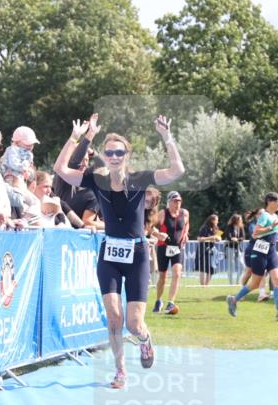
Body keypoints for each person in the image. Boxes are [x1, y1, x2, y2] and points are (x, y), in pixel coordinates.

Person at [54, 113, 184, 389]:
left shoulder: (140, 179)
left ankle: (145, 340)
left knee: (135, 324)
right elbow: (61, 169)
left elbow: (177, 172)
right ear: (104, 155)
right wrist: (80, 136)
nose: (114, 156)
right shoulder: (96, 180)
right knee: (114, 316)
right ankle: (120, 370)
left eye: (119, 152)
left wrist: (167, 137)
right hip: (109, 255)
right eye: (109, 152)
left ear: (127, 155)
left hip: (136, 256)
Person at [226, 192, 278, 322]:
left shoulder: (274, 216)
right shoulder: (265, 215)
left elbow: (272, 232)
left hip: (271, 251)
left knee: (277, 280)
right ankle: (234, 299)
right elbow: (256, 232)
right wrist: (271, 226)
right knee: (255, 283)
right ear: (269, 201)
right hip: (260, 251)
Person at [153, 190, 189, 314]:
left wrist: (185, 235)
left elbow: (186, 224)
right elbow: (151, 225)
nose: (177, 204)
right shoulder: (163, 213)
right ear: (169, 202)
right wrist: (157, 234)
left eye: (179, 201)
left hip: (178, 248)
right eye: (174, 201)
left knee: (177, 272)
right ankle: (158, 300)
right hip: (163, 247)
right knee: (162, 276)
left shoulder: (184, 213)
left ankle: (171, 303)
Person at [196, 213, 222, 286]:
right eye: (216, 220)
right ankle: (202, 286)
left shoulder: (216, 228)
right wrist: (212, 237)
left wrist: (217, 238)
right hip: (203, 250)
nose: (217, 222)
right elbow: (199, 238)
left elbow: (219, 237)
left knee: (211, 269)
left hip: (211, 251)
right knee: (202, 268)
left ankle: (206, 285)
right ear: (212, 220)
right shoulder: (204, 228)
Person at [225, 214, 246, 281]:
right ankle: (230, 283)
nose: (241, 221)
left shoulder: (240, 227)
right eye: (239, 220)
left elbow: (243, 237)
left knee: (242, 266)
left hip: (238, 248)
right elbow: (228, 236)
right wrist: (232, 239)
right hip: (230, 248)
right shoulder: (229, 226)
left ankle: (237, 281)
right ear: (235, 220)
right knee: (231, 266)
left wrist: (237, 239)